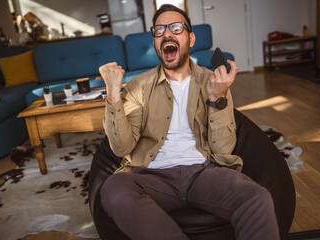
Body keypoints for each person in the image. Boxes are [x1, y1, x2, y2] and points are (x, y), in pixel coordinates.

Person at [98, 4, 280, 240]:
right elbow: (121, 148)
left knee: (257, 198)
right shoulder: (138, 87)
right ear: (155, 43)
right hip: (152, 176)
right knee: (113, 189)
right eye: (159, 30)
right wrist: (113, 96)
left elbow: (224, 149)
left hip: (203, 173)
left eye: (175, 27)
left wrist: (217, 99)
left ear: (191, 38)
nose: (167, 34)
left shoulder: (214, 81)